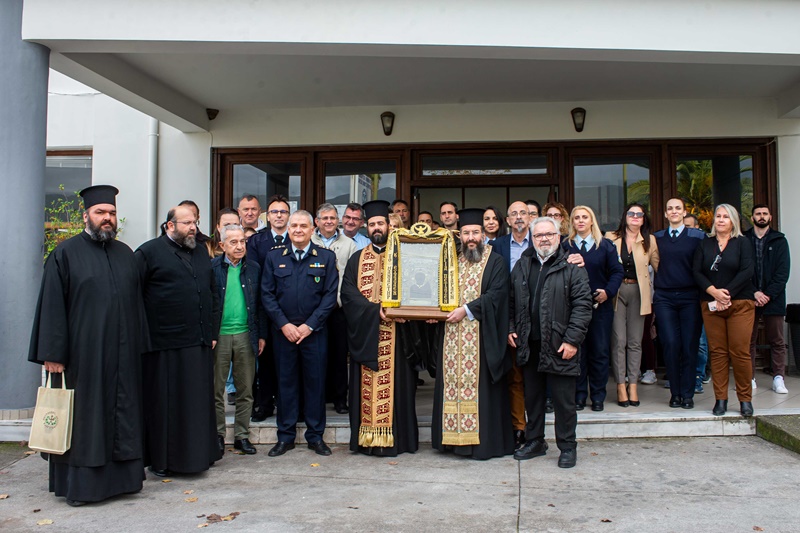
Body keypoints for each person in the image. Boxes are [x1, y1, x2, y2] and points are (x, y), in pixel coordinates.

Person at [29, 185, 146, 506]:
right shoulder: (65, 253)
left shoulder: (125, 254)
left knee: (123, 414)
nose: (107, 218)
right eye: (100, 213)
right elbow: (51, 305)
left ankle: (123, 481)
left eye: (111, 213)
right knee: (85, 420)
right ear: (86, 216)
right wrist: (52, 353)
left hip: (123, 355)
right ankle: (82, 487)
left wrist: (141, 346)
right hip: (83, 357)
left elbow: (138, 304)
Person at [136, 205, 221, 476]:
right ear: (169, 225)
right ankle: (166, 461)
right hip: (164, 345)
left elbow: (211, 293)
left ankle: (200, 456)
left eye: (195, 222)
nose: (193, 228)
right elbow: (134, 297)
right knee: (168, 405)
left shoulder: (200, 252)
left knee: (197, 404)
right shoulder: (148, 252)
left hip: (197, 342)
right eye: (186, 223)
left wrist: (212, 332)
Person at [510, 217, 593, 468]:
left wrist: (572, 341)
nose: (544, 239)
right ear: (532, 238)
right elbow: (511, 302)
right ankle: (535, 441)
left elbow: (583, 306)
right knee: (533, 398)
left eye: (549, 234)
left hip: (561, 345)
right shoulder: (523, 264)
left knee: (563, 402)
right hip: (530, 345)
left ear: (559, 237)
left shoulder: (572, 267)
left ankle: (567, 447)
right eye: (538, 235)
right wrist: (510, 328)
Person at [432, 208, 514, 460]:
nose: (470, 238)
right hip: (450, 336)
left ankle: (482, 445)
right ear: (460, 234)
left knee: (481, 391)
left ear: (483, 233)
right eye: (466, 232)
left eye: (475, 232)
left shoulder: (495, 260)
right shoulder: (451, 259)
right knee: (451, 387)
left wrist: (467, 310)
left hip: (481, 337)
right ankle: (451, 441)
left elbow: (498, 294)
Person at [341, 200, 419, 456]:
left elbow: (417, 287)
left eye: (380, 223)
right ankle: (366, 440)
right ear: (367, 226)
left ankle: (400, 441)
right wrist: (375, 311)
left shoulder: (404, 255)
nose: (376, 228)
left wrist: (402, 310)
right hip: (368, 337)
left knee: (399, 389)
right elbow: (348, 294)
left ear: (389, 225)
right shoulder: (356, 258)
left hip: (397, 337)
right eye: (372, 224)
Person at [261, 211, 339, 457]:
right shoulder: (274, 257)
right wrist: (284, 324)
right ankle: (285, 437)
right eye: (293, 225)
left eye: (302, 226)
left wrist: (309, 325)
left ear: (312, 228)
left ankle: (316, 437)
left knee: (315, 384)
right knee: (286, 385)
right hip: (284, 334)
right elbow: (267, 294)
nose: (297, 229)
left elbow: (330, 297)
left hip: (314, 333)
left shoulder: (325, 257)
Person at [694, 204, 756, 417]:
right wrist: (714, 292)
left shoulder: (743, 243)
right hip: (711, 305)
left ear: (733, 221)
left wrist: (725, 293)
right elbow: (697, 272)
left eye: (725, 217)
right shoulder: (705, 244)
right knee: (718, 353)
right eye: (718, 216)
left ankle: (745, 400)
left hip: (739, 304)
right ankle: (720, 399)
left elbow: (747, 270)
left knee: (739, 352)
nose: (720, 220)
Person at [211, 224, 267, 456]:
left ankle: (242, 436)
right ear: (222, 245)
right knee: (216, 390)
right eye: (233, 242)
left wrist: (262, 334)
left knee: (246, 390)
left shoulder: (254, 268)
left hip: (246, 334)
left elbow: (261, 304)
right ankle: (217, 435)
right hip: (220, 336)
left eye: (242, 241)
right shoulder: (211, 268)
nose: (239, 246)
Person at [563, 205, 623, 412]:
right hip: (573, 311)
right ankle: (579, 395)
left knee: (599, 352)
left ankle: (597, 396)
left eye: (584, 217)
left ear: (591, 221)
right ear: (572, 222)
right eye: (576, 218)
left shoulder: (605, 246)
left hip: (600, 307)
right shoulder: (565, 246)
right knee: (578, 352)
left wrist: (608, 292)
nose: (580, 221)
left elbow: (617, 272)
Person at [488, 201, 533, 448]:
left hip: (537, 318)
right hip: (508, 318)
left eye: (522, 213)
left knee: (535, 378)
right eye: (514, 214)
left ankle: (535, 426)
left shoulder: (542, 241)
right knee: (514, 377)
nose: (518, 217)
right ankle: (519, 428)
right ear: (507, 220)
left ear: (530, 218)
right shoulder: (496, 246)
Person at [653, 198, 706, 409]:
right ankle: (675, 393)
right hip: (664, 297)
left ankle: (688, 393)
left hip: (690, 297)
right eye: (669, 209)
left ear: (684, 213)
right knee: (671, 344)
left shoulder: (697, 237)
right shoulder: (657, 238)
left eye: (678, 208)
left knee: (689, 345)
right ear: (665, 214)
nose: (674, 211)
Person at [605, 204, 659, 407]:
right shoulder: (611, 237)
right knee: (619, 340)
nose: (635, 217)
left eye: (639, 214)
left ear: (644, 219)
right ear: (625, 216)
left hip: (639, 292)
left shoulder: (650, 240)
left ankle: (633, 385)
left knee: (636, 341)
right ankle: (620, 385)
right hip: (616, 292)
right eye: (631, 213)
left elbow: (658, 266)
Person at [246, 194, 291, 422]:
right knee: (265, 362)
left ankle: (287, 404)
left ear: (289, 215)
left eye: (283, 211)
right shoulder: (256, 241)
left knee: (288, 363)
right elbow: (255, 275)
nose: (279, 215)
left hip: (291, 312)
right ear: (268, 215)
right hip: (265, 310)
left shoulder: (297, 238)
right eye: (275, 212)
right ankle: (264, 404)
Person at [311, 203, 357, 414]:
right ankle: (318, 398)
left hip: (339, 310)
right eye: (324, 218)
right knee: (316, 356)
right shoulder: (308, 241)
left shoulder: (349, 244)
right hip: (312, 311)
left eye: (332, 218)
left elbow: (353, 278)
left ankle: (340, 399)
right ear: (317, 222)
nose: (329, 221)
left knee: (339, 356)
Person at [745, 204, 790, 394]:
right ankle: (749, 377)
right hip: (749, 297)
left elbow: (783, 272)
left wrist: (768, 294)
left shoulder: (779, 240)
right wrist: (754, 292)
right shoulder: (744, 240)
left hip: (774, 298)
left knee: (777, 340)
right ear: (752, 217)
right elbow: (741, 270)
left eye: (765, 214)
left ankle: (778, 378)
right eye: (758, 214)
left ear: (770, 217)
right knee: (748, 340)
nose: (761, 217)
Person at [684, 213, 709, 393]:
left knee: (699, 341)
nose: (687, 231)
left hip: (699, 296)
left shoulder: (704, 246)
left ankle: (699, 375)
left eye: (690, 227)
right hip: (679, 296)